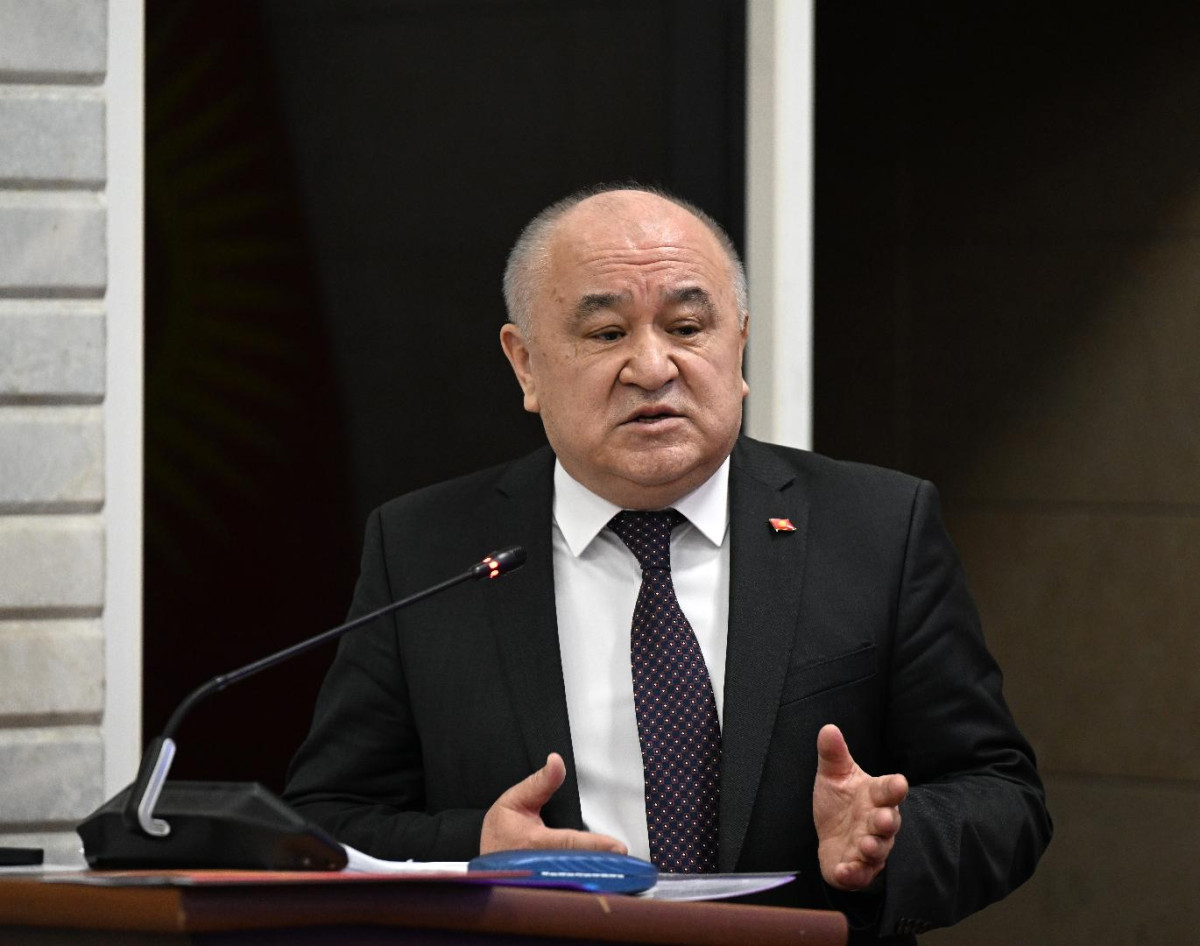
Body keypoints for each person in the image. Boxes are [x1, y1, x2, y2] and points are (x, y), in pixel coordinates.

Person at [284, 184, 1051, 941]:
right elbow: (325, 820)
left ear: (738, 346)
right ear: (525, 365)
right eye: (606, 333)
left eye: (687, 327)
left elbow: (1001, 794)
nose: (653, 367)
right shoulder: (425, 548)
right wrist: (474, 851)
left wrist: (890, 842)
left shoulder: (877, 527)